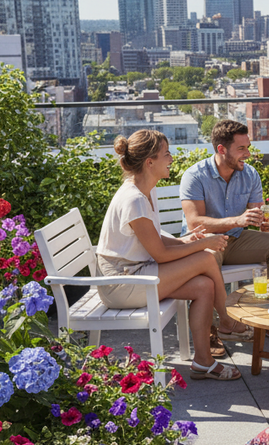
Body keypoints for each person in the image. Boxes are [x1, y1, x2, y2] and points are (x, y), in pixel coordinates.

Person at [97, 130, 242, 382]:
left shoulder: (146, 190)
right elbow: (161, 255)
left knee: (204, 286)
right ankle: (227, 321)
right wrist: (203, 243)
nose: (171, 159)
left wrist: (184, 240)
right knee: (207, 257)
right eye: (166, 155)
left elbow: (155, 239)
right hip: (121, 283)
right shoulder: (134, 200)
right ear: (149, 162)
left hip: (137, 271)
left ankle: (203, 362)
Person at [180, 120, 269, 340]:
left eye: (248, 147)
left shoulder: (249, 174)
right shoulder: (195, 176)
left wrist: (262, 222)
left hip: (236, 239)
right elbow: (195, 223)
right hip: (205, 241)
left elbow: (255, 213)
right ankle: (213, 331)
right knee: (209, 259)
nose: (248, 154)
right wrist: (238, 220)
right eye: (241, 149)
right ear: (221, 149)